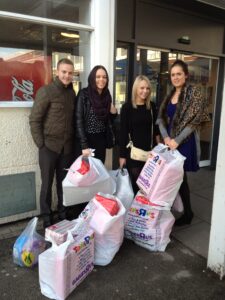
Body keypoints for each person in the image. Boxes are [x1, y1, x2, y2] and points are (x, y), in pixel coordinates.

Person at [156, 59, 210, 226]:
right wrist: (166, 138)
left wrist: (177, 141)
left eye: (179, 74)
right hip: (170, 141)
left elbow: (194, 122)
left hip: (184, 142)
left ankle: (187, 213)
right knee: (177, 178)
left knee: (179, 177)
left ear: (186, 75)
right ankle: (185, 211)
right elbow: (161, 119)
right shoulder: (169, 94)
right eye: (173, 75)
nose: (176, 77)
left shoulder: (194, 93)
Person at [29, 58, 76, 228]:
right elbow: (34, 120)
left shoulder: (72, 93)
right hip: (48, 147)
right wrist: (41, 144)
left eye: (70, 73)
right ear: (57, 72)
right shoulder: (46, 91)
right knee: (47, 185)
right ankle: (46, 217)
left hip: (66, 149)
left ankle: (63, 213)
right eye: (64, 72)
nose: (67, 75)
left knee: (64, 184)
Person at [119, 75, 160, 194]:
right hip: (133, 154)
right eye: (142, 88)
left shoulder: (151, 106)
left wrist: (160, 148)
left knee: (148, 188)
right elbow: (123, 133)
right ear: (136, 89)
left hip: (150, 153)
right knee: (136, 187)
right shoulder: (127, 108)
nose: (145, 91)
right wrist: (122, 156)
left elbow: (156, 129)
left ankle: (145, 211)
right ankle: (134, 211)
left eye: (147, 88)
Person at [76, 65, 117, 164]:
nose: (101, 79)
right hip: (87, 140)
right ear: (92, 78)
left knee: (99, 171)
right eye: (98, 77)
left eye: (104, 77)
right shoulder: (84, 94)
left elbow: (107, 121)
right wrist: (84, 145)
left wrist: (114, 113)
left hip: (101, 141)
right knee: (87, 173)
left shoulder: (107, 95)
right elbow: (79, 121)